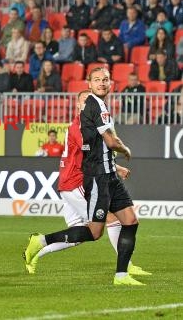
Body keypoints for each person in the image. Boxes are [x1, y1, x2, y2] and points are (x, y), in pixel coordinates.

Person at [24, 67, 145, 286]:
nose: (101, 84)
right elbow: (97, 150)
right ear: (82, 97)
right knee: (100, 228)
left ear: (110, 83)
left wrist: (115, 167)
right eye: (96, 80)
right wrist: (124, 153)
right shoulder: (80, 124)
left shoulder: (98, 108)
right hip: (80, 181)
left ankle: (122, 273)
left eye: (105, 80)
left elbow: (99, 148)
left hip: (91, 178)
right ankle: (40, 241)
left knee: (127, 221)